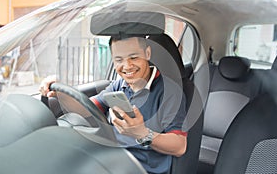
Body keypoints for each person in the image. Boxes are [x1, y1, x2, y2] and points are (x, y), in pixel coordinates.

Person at [39, 35, 188, 174]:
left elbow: (180, 146)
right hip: (112, 158)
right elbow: (86, 109)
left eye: (134, 57)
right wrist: (61, 92)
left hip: (143, 168)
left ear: (147, 54)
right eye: (119, 60)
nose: (127, 66)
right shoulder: (119, 85)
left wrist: (142, 133)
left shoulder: (171, 92)